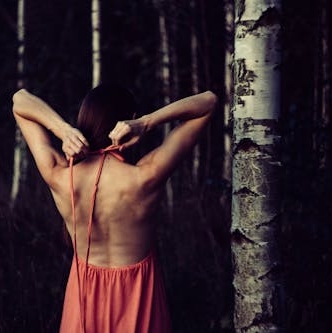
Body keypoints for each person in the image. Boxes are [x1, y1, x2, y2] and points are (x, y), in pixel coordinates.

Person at [12, 84, 217, 333]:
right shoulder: (146, 176)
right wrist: (147, 122)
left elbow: (20, 101)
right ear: (128, 122)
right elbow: (208, 102)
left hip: (83, 302)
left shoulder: (59, 175)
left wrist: (63, 130)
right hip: (139, 300)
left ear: (84, 121)